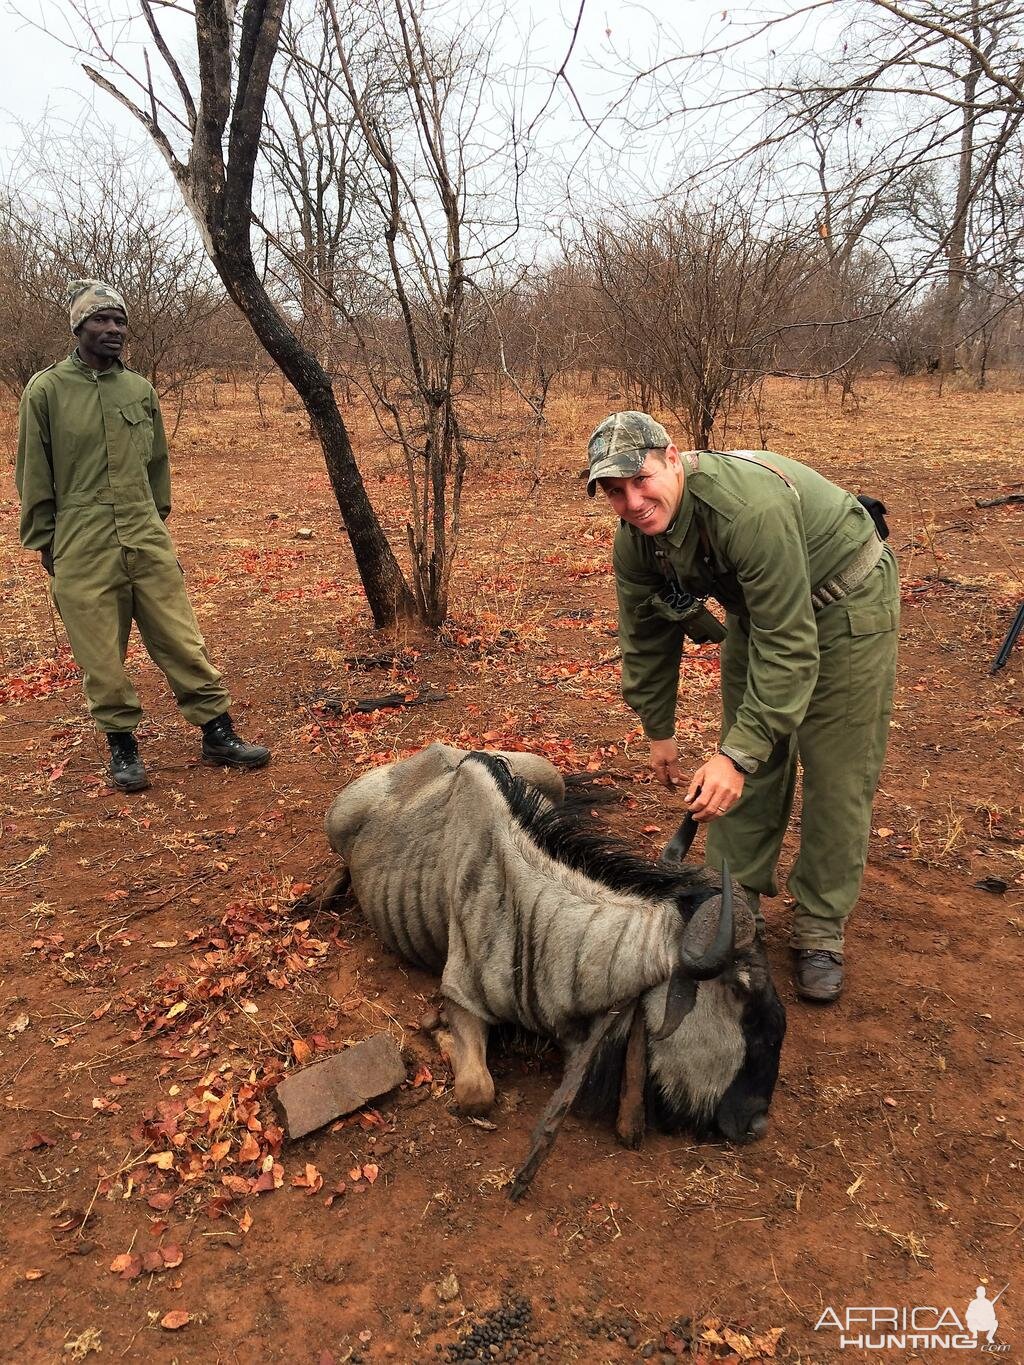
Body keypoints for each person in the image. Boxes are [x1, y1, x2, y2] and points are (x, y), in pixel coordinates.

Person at [587, 411, 899, 1003]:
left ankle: (819, 928)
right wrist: (660, 729)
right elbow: (647, 630)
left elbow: (791, 648)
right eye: (614, 490)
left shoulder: (745, 511)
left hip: (845, 602)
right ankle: (734, 903)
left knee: (836, 773)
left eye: (641, 480)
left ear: (673, 459)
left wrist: (733, 756)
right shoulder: (636, 541)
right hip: (763, 613)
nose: (632, 501)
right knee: (750, 761)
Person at [15, 279, 271, 793]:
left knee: (181, 638)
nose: (113, 330)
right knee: (100, 655)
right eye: (100, 320)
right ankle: (122, 746)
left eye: (119, 321)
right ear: (78, 328)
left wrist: (154, 523)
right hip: (82, 537)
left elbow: (157, 466)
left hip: (144, 533)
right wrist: (48, 542)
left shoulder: (140, 390)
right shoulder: (46, 390)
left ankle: (217, 733)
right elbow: (33, 472)